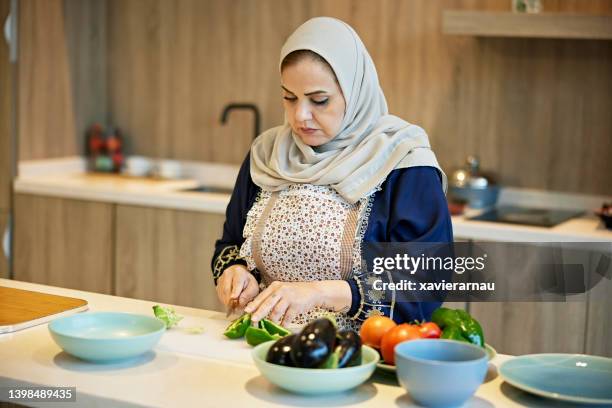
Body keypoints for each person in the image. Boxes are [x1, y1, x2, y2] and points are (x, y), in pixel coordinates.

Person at [211, 17, 452, 331]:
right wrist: (233, 271)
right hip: (261, 343)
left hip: (360, 357)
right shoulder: (267, 154)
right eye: (289, 97)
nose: (300, 116)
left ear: (354, 94)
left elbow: (427, 281)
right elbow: (229, 244)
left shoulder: (404, 163)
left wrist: (325, 293)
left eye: (319, 100)